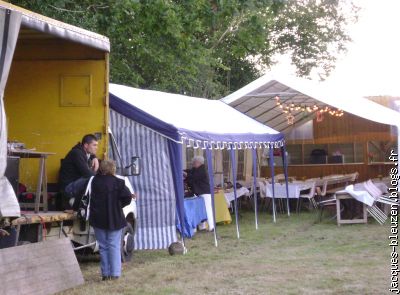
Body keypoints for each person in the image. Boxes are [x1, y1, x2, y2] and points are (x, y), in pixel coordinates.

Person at [88, 159, 133, 281]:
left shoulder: (95, 181)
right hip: (115, 217)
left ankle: (105, 274)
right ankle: (115, 274)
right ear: (113, 168)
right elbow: (128, 197)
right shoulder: (119, 182)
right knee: (113, 245)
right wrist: (119, 206)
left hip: (98, 217)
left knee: (103, 246)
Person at [59, 134, 100, 207]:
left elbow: (91, 155)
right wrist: (102, 177)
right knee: (91, 178)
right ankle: (74, 202)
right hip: (68, 188)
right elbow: (87, 173)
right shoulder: (77, 153)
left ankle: (84, 203)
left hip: (74, 185)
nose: (97, 148)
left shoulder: (84, 152)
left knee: (94, 178)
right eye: (94, 145)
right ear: (86, 145)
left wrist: (94, 157)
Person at [184, 156, 214, 231]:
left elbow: (194, 176)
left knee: (208, 209)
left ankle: (212, 226)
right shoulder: (196, 169)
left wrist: (186, 174)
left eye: (194, 162)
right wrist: (183, 171)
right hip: (199, 192)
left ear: (198, 163)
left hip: (205, 192)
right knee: (200, 209)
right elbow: (190, 171)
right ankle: (202, 226)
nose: (193, 164)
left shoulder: (202, 170)